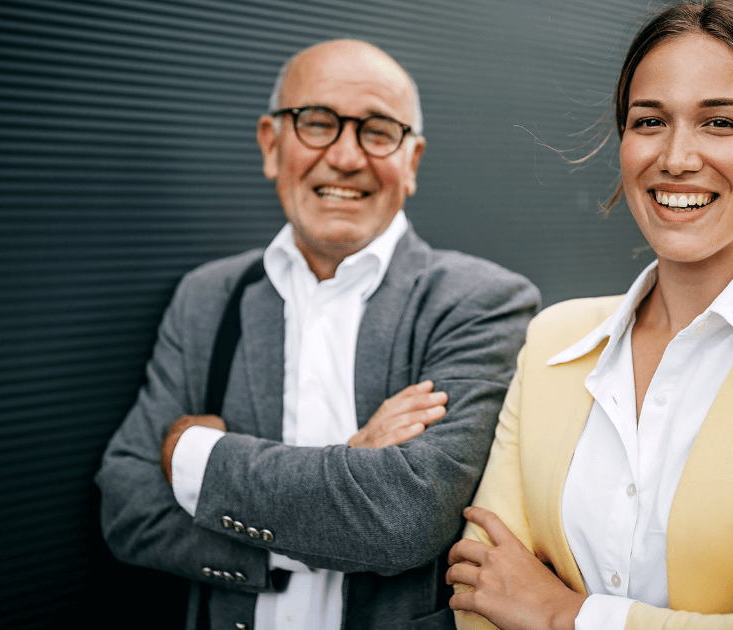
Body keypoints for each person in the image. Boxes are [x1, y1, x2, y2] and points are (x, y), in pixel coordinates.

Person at [446, 2, 733, 629]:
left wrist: (569, 615)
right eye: (650, 121)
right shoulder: (555, 340)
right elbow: (480, 597)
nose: (676, 157)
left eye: (719, 122)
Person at [94, 39, 541, 630]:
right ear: (271, 144)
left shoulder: (481, 302)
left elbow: (404, 518)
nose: (347, 157)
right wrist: (349, 470)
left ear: (411, 159)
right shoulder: (208, 297)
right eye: (318, 123)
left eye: (378, 131)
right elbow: (127, 506)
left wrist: (192, 456)